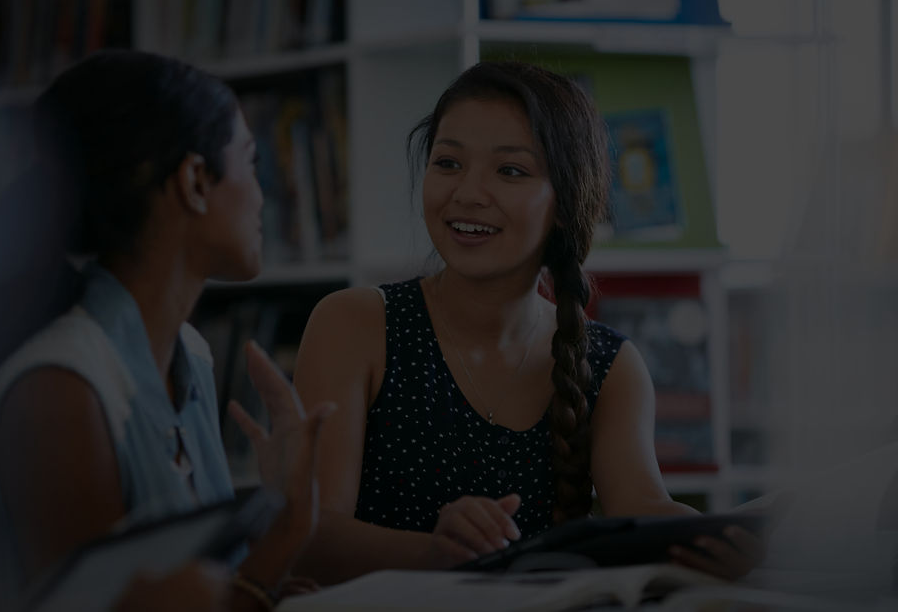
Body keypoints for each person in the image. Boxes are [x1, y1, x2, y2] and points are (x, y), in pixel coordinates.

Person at [290, 61, 763, 584]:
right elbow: (306, 535)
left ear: (564, 203)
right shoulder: (355, 324)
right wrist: (431, 552)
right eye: (448, 163)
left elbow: (644, 509)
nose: (468, 193)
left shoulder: (610, 365)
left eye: (510, 171)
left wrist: (718, 539)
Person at [0, 49, 334, 611]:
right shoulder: (60, 392)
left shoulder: (190, 354)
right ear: (195, 181)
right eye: (251, 161)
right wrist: (286, 531)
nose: (264, 193)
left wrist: (259, 588)